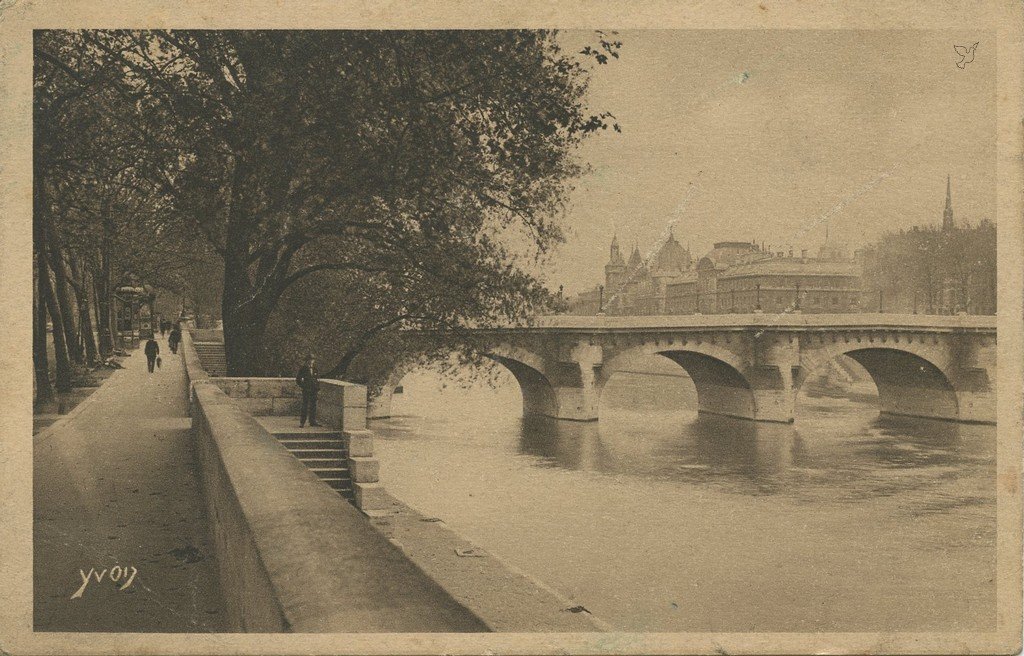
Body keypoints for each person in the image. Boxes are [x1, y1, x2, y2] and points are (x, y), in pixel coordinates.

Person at [295, 354, 320, 427]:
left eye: (312, 360)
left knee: (313, 406)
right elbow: (298, 380)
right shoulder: (303, 369)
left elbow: (317, 379)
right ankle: (302, 422)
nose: (311, 361)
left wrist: (317, 387)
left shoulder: (315, 369)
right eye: (310, 360)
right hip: (306, 390)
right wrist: (303, 386)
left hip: (314, 390)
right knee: (305, 405)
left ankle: (312, 421)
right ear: (307, 361)